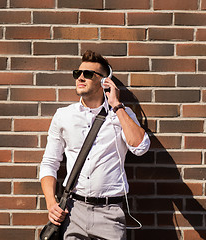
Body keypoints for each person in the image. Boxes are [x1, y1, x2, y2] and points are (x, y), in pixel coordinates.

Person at [39, 50, 151, 239]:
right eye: (78, 73)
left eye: (88, 74)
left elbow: (140, 147)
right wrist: (51, 203)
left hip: (110, 213)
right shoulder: (63, 116)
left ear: (104, 82)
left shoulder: (122, 115)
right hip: (73, 211)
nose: (81, 77)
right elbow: (49, 163)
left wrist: (116, 104)